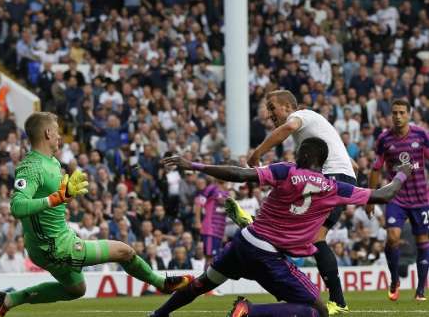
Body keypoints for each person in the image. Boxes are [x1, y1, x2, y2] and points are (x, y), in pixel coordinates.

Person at [149, 137, 411, 317]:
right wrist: (403, 172)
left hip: (245, 241)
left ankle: (159, 313)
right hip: (267, 253)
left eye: (298, 150)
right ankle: (250, 311)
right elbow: (385, 195)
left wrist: (193, 165)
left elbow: (240, 174)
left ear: (308, 154)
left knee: (203, 283)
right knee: (318, 310)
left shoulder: (285, 171)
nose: (294, 153)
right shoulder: (335, 188)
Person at [0, 112, 192, 316]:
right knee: (124, 252)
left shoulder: (52, 162)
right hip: (55, 246)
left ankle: (6, 300)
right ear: (48, 133)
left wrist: (64, 196)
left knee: (77, 289)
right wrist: (56, 199)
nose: (60, 137)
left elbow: (52, 199)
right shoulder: (31, 167)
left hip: (52, 242)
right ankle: (162, 283)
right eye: (58, 132)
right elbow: (17, 206)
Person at [245, 89, 356, 314]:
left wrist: (257, 153)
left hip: (332, 178)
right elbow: (350, 162)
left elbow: (287, 128)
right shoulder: (309, 132)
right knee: (306, 236)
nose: (269, 114)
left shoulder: (303, 116)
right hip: (333, 178)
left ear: (287, 106)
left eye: (272, 107)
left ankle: (339, 301)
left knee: (315, 237)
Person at [369, 98, 429, 301]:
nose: (397, 116)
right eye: (394, 112)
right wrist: (370, 197)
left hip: (421, 198)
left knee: (423, 241)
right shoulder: (384, 139)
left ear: (409, 114)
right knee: (393, 238)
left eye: (402, 112)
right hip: (396, 198)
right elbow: (376, 168)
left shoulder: (421, 135)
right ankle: (394, 280)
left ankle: (420, 290)